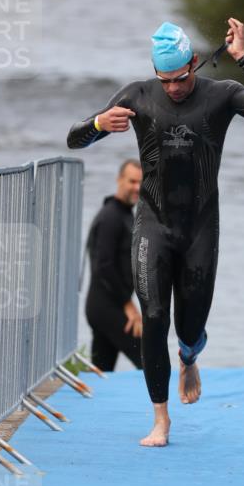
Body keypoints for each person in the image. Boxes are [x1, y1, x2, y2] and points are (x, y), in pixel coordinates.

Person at [67, 18, 244, 447]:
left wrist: (243, 57)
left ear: (195, 63)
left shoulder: (220, 95)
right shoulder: (137, 95)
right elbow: (74, 139)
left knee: (190, 325)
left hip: (201, 227)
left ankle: (189, 356)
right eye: (164, 80)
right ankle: (160, 420)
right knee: (153, 319)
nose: (172, 89)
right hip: (153, 224)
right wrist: (97, 125)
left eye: (180, 78)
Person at [85, 159, 144, 372]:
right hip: (106, 306)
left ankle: (95, 403)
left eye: (141, 182)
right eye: (132, 181)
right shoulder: (111, 216)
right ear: (119, 180)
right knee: (149, 357)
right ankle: (163, 405)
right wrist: (127, 304)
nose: (137, 187)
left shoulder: (126, 214)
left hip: (107, 304)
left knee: (102, 370)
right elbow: (104, 266)